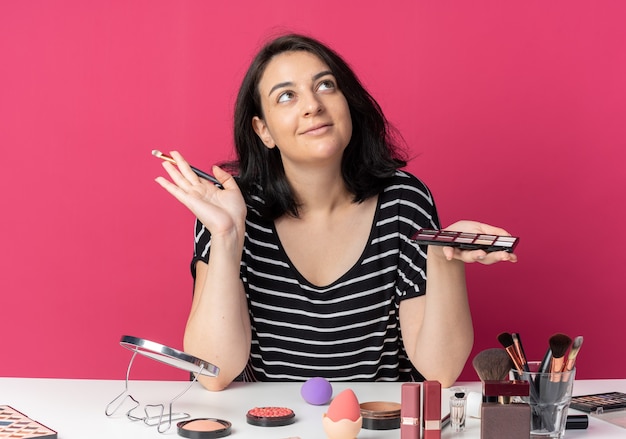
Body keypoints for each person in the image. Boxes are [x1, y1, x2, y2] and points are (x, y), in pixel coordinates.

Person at [155, 33, 517, 391]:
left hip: (377, 426)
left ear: (348, 103)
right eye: (286, 96)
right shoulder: (229, 208)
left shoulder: (404, 201)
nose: (312, 105)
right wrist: (226, 236)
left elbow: (440, 370)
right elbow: (213, 373)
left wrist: (443, 256)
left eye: (325, 86)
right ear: (263, 130)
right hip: (267, 425)